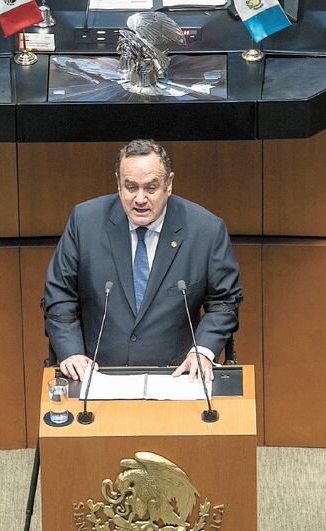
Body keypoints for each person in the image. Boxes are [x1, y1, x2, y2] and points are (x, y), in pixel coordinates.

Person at [42, 139, 242, 384]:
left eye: (150, 188)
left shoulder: (206, 230)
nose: (139, 198)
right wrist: (71, 351)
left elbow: (224, 301)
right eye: (130, 187)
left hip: (177, 375)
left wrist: (203, 350)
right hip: (96, 375)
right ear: (118, 184)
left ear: (168, 185)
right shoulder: (84, 222)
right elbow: (60, 293)